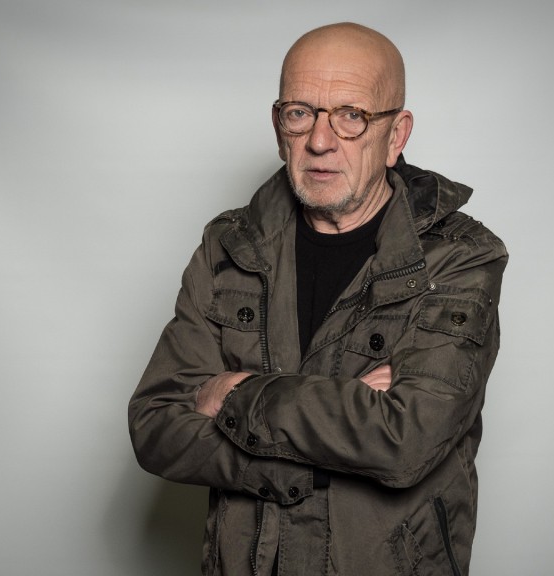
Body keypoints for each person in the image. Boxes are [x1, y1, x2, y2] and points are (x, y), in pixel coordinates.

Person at [129, 22, 507, 576]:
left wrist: (232, 392)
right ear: (278, 125)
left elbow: (405, 441)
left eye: (352, 115)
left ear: (396, 135)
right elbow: (156, 426)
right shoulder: (229, 245)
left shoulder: (462, 257)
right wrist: (342, 426)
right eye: (300, 112)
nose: (320, 141)